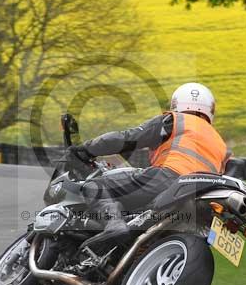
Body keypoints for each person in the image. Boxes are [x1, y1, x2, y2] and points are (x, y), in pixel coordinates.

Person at [67, 82, 231, 255]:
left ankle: (113, 224)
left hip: (169, 178)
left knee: (94, 187)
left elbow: (126, 139)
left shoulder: (175, 120)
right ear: (210, 110)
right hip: (198, 200)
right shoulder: (222, 145)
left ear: (176, 104)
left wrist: (86, 149)